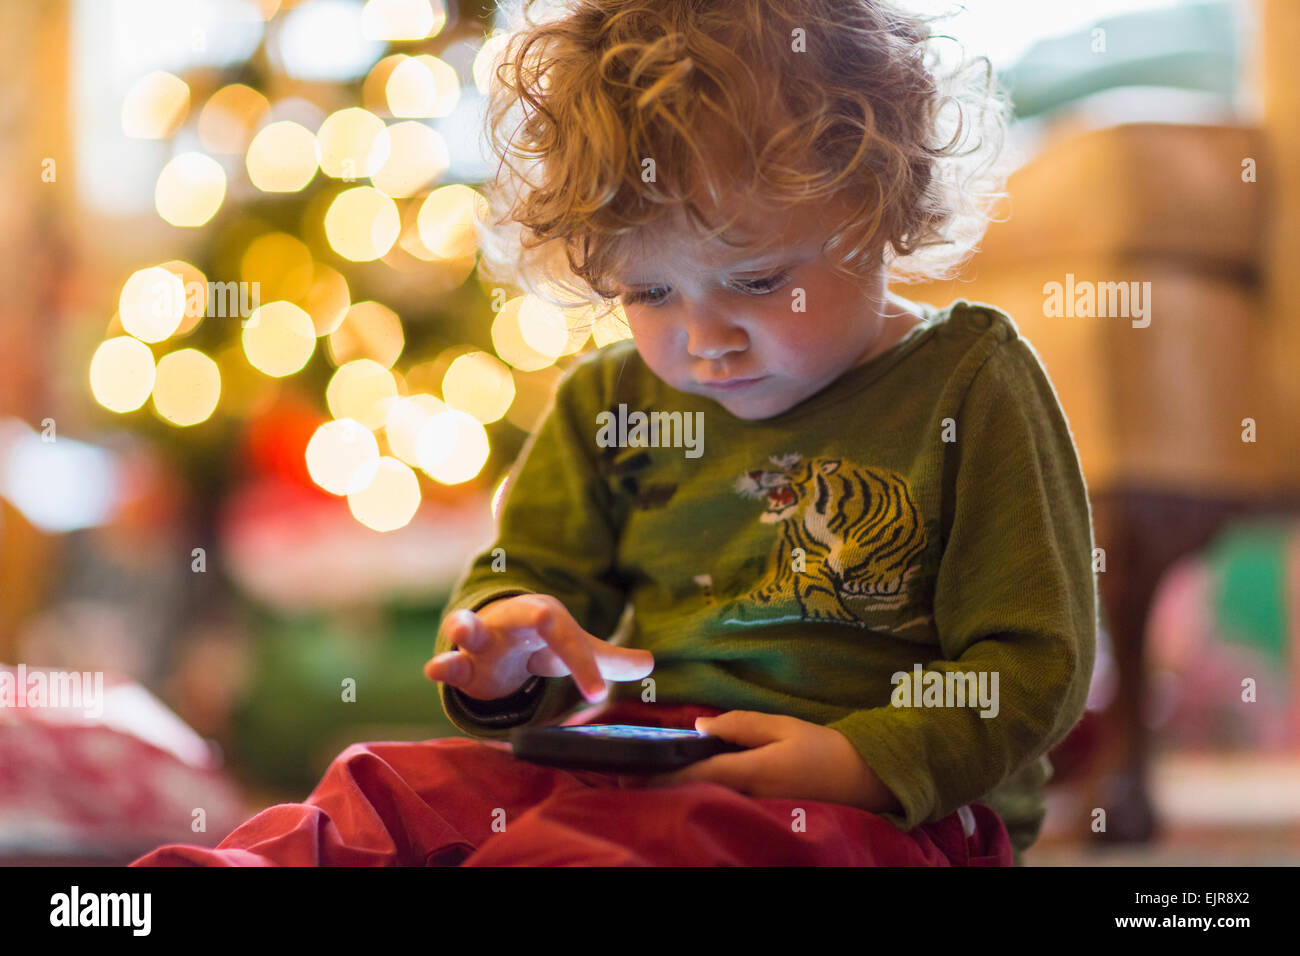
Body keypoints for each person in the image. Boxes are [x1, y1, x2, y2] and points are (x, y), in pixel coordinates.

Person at [133, 0, 1095, 867]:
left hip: (892, 811)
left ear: (885, 200)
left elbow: (1031, 663)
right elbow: (529, 577)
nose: (704, 341)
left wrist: (859, 761)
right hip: (641, 753)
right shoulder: (608, 401)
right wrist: (505, 646)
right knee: (382, 789)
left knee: (634, 844)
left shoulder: (972, 385)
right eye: (649, 291)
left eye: (757, 280)